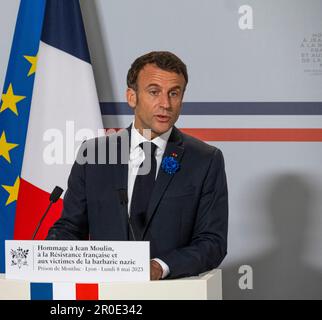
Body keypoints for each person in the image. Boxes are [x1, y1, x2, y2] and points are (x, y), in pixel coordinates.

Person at [46, 51, 228, 280]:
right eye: (154, 92)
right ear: (132, 97)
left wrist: (159, 267)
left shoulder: (204, 160)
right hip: (106, 294)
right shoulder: (93, 155)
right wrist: (47, 255)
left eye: (174, 93)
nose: (165, 104)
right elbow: (71, 228)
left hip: (171, 292)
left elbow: (212, 242)